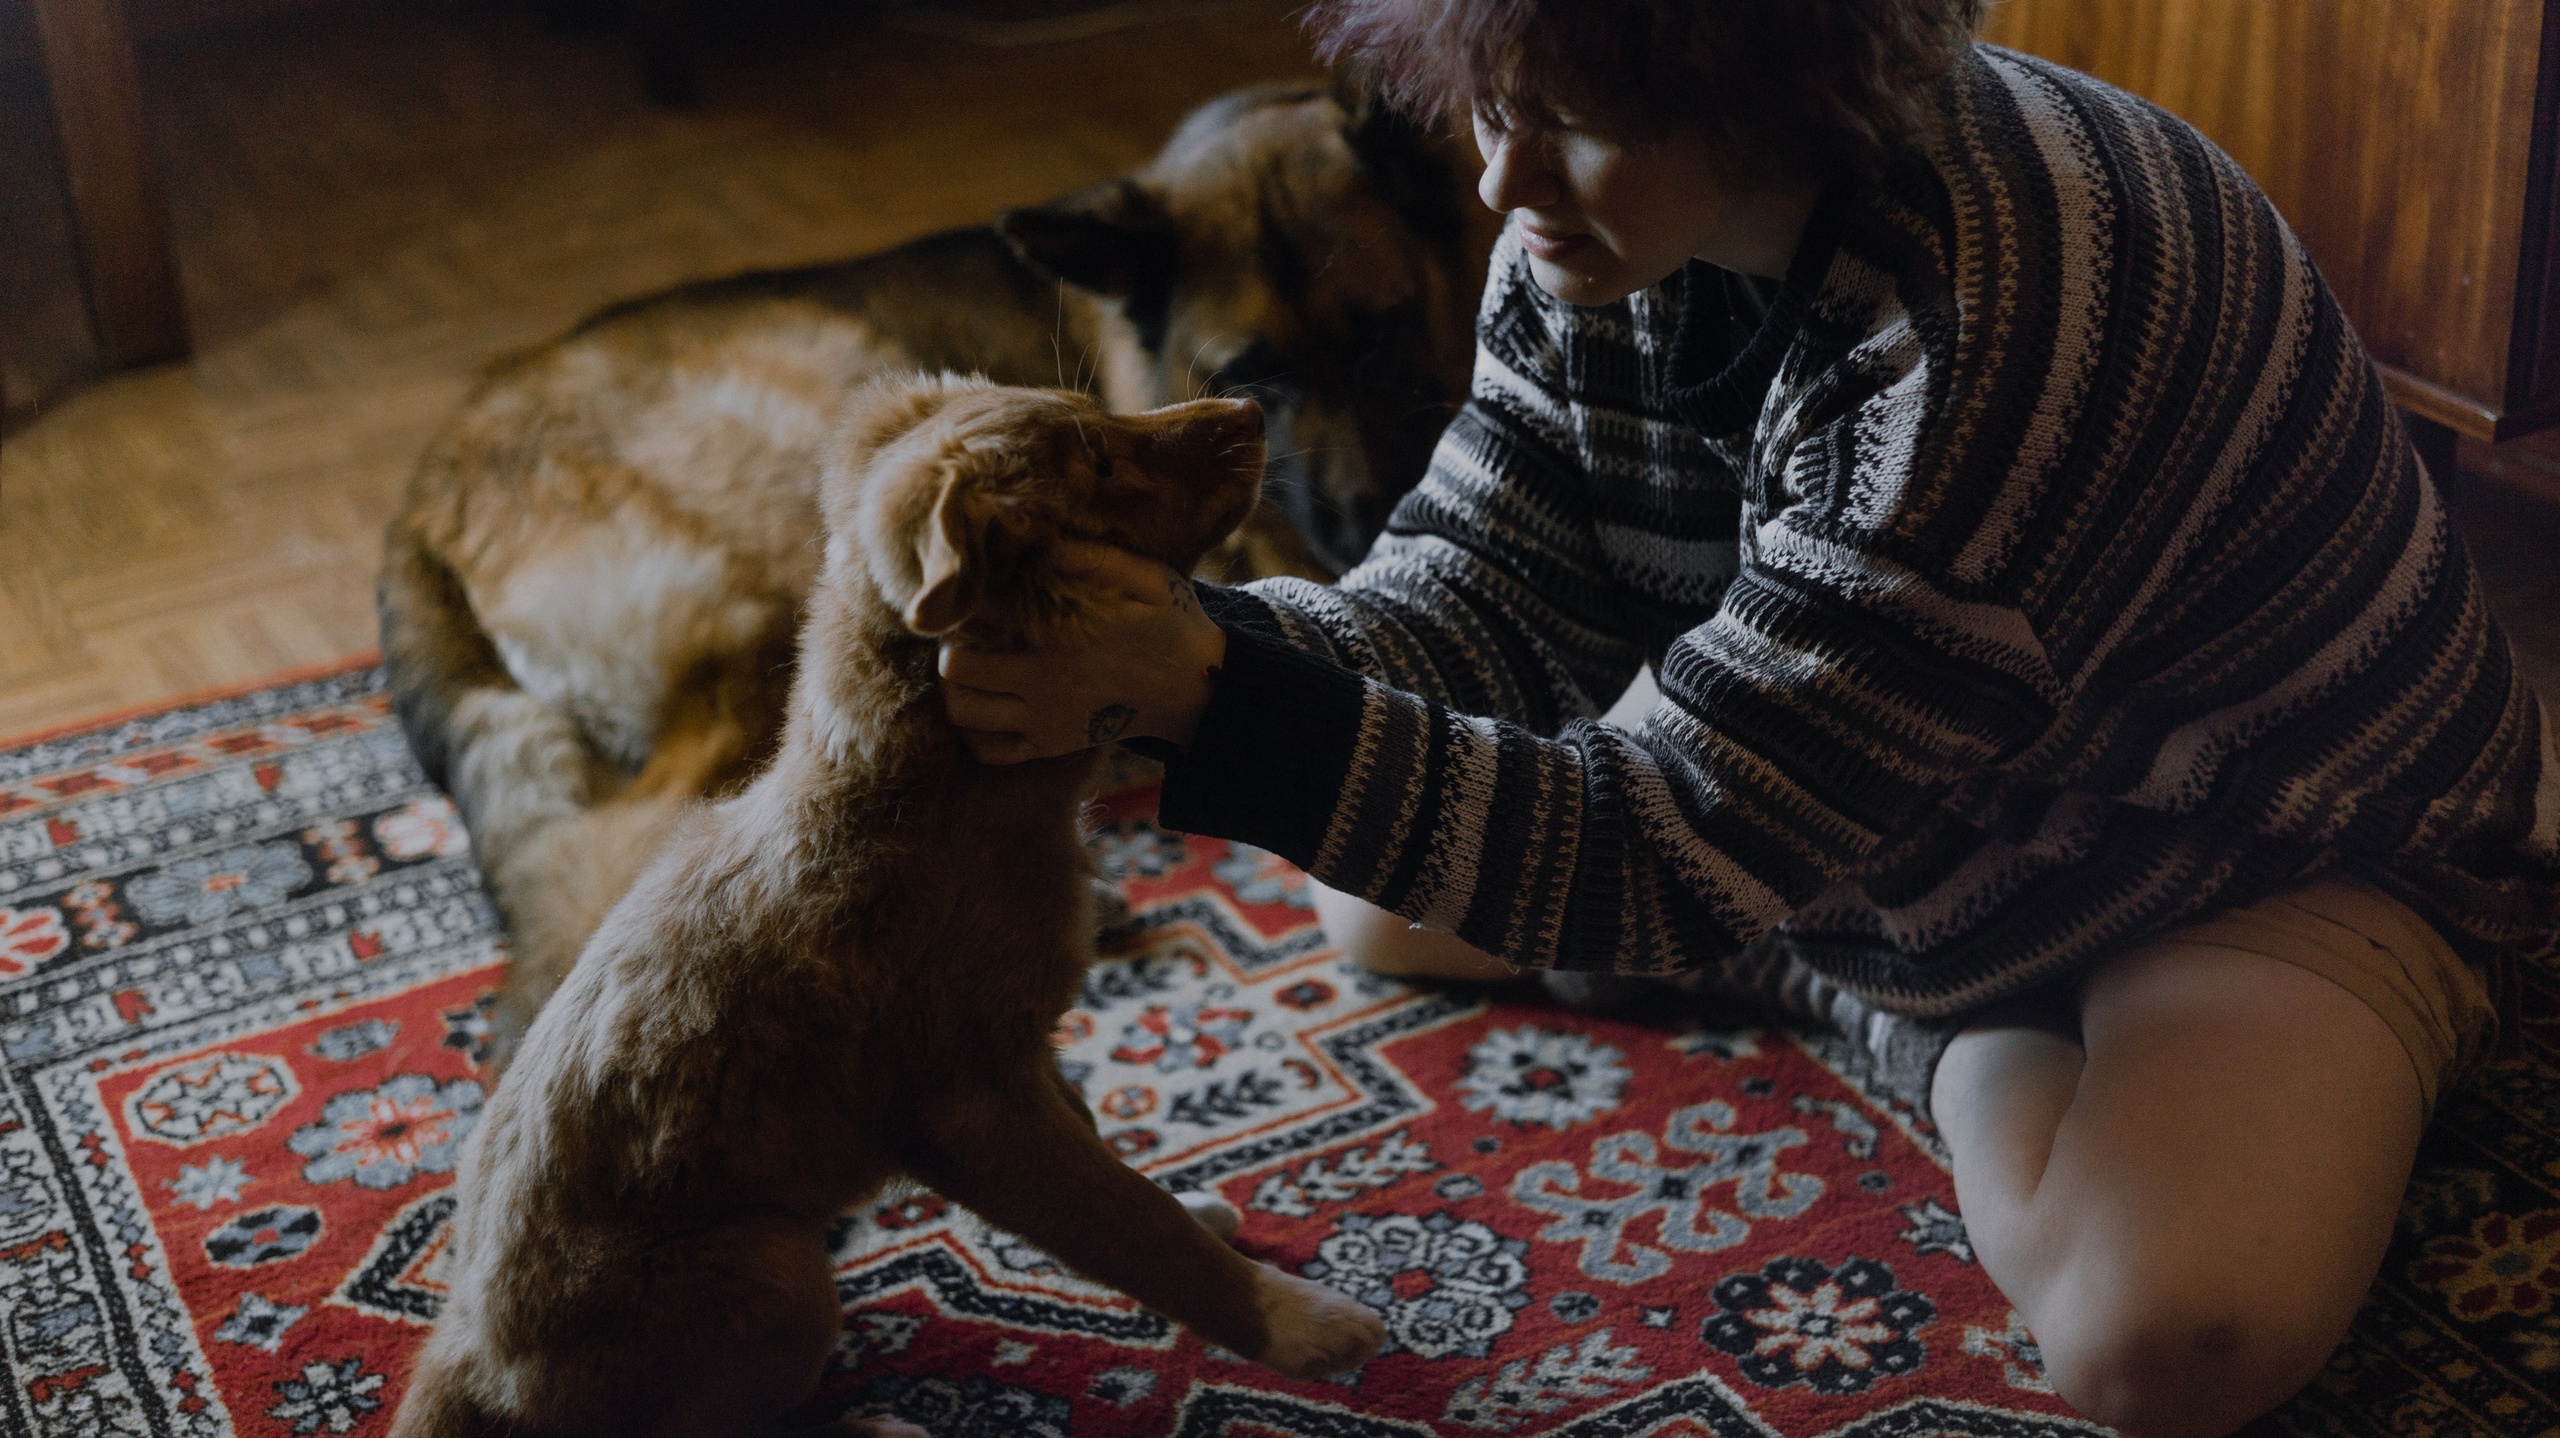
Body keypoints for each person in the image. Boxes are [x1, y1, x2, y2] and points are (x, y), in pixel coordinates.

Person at [935, 2, 2560, 1432]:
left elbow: (1646, 860)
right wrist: (1186, 643)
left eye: (1567, 117)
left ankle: (1939, 1023)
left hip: (2245, 841)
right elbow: (1469, 587)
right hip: (1906, 773)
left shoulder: (1973, 344)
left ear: (1760, 84)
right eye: (1492, 103)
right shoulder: (1598, 229)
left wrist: (1210, 698)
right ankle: (1854, 935)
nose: (1501, 179)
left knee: (2162, 1337)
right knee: (1365, 889)